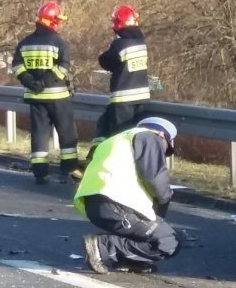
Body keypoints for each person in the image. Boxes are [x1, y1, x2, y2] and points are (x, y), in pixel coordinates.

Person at [74, 117, 181, 274]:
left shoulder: (116, 141)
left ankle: (126, 260)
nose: (163, 153)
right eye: (166, 148)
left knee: (151, 232)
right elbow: (155, 178)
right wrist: (165, 198)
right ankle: (103, 246)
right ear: (161, 134)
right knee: (169, 241)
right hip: (117, 204)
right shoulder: (149, 137)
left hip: (96, 204)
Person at [11, 1, 80, 185]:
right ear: (53, 22)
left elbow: (17, 66)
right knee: (67, 134)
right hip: (58, 97)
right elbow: (63, 66)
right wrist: (45, 82)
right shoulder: (59, 42)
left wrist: (31, 83)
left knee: (40, 135)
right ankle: (68, 170)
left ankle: (40, 173)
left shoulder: (25, 43)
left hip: (35, 97)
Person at [92, 5, 151, 146]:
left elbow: (105, 61)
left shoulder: (119, 45)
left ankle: (109, 162)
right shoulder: (141, 43)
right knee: (135, 134)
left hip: (123, 98)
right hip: (141, 97)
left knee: (119, 135)